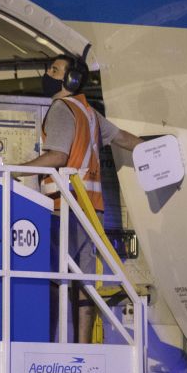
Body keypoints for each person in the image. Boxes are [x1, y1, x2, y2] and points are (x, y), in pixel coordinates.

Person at [22, 54, 142, 343]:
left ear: (71, 80)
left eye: (54, 70)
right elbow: (124, 139)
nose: (47, 74)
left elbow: (57, 156)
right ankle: (83, 347)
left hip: (64, 208)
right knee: (85, 283)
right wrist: (159, 149)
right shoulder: (88, 113)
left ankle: (47, 343)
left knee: (51, 279)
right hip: (91, 210)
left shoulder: (61, 108)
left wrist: (12, 170)